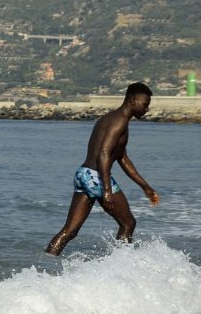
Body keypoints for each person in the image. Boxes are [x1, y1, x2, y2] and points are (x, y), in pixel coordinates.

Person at [46, 82, 160, 255]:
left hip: (84, 174)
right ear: (132, 100)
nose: (146, 109)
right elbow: (104, 154)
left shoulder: (109, 118)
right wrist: (106, 189)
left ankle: (44, 266)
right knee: (128, 223)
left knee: (70, 231)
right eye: (144, 105)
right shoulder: (120, 121)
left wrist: (145, 187)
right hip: (96, 177)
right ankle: (121, 266)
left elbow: (122, 158)